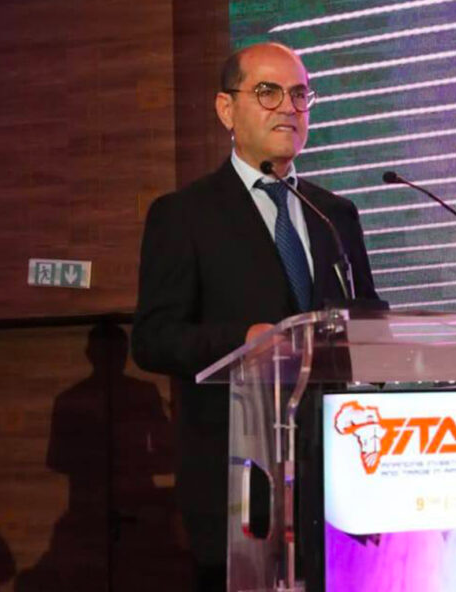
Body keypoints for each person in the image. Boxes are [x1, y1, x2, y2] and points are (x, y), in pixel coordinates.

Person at [131, 42, 378, 591]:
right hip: (241, 482)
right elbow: (153, 339)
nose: (288, 107)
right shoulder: (184, 215)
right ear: (227, 109)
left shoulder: (335, 213)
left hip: (337, 477)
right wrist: (243, 341)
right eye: (268, 92)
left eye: (299, 94)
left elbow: (368, 323)